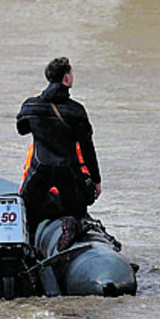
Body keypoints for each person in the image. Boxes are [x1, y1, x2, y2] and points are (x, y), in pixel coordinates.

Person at [16, 57, 101, 248]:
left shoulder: (31, 106)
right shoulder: (75, 111)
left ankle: (26, 247)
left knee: (27, 208)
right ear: (66, 79)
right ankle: (70, 224)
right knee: (78, 210)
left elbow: (21, 129)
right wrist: (95, 180)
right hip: (67, 171)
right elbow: (87, 148)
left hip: (40, 168)